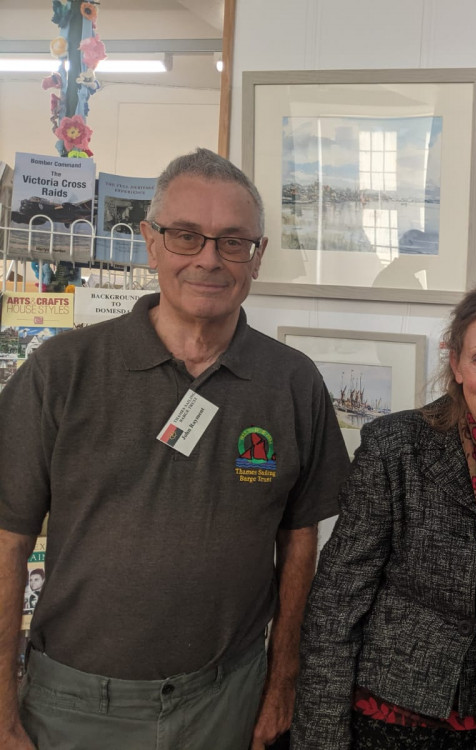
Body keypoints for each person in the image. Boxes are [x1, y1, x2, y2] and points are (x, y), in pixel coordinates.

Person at [0, 148, 351, 750]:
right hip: (73, 706)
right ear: (151, 242)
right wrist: (3, 710)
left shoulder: (293, 383)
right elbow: (5, 542)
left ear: (258, 257)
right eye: (187, 236)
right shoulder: (61, 372)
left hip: (226, 700)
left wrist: (282, 682)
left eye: (233, 242)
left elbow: (300, 540)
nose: (210, 259)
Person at [292, 281, 476, 749]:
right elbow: (336, 605)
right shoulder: (397, 447)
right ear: (456, 365)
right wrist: (319, 741)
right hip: (388, 718)